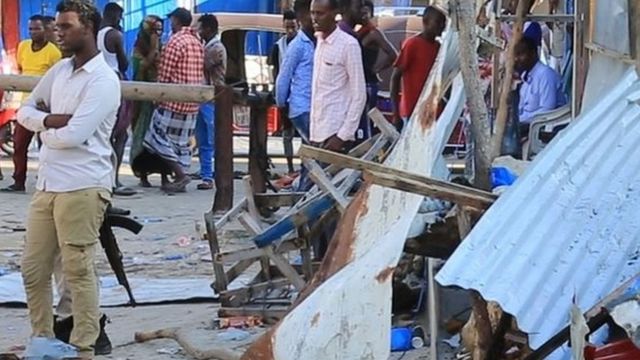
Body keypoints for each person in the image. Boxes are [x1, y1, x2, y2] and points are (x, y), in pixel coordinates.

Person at [17, 0, 120, 358]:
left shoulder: (104, 80)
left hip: (83, 184)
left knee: (77, 269)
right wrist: (49, 121)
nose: (57, 32)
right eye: (57, 26)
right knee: (33, 268)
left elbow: (74, 135)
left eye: (66, 27)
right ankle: (43, 340)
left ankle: (84, 347)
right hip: (48, 183)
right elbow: (25, 111)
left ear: (88, 28)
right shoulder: (60, 71)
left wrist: (45, 129)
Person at [143, 7, 204, 193]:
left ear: (176, 21)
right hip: (192, 101)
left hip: (173, 100)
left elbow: (165, 73)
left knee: (156, 137)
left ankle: (180, 174)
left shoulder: (175, 41)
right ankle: (180, 175)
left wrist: (158, 96)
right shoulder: (197, 41)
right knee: (181, 144)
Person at [1, 14, 62, 193]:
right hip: (24, 102)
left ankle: (47, 181)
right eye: (30, 29)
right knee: (19, 144)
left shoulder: (54, 52)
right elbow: (21, 69)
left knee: (46, 146)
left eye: (37, 28)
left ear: (46, 30)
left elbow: (55, 79)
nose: (33, 32)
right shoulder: (23, 46)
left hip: (43, 104)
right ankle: (18, 181)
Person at [309, 0, 366, 153]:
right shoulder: (319, 41)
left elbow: (359, 95)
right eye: (313, 13)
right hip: (316, 132)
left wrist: (342, 136)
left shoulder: (348, 45)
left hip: (336, 135)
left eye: (320, 13)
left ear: (335, 14)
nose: (315, 18)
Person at [98, 2, 133, 197]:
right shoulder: (115, 35)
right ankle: (114, 179)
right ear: (116, 16)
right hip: (113, 80)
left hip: (97, 79)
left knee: (103, 133)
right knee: (120, 134)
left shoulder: (95, 33)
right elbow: (124, 63)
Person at [390, 6, 446, 127]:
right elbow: (395, 77)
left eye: (443, 23)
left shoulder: (439, 48)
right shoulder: (412, 44)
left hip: (431, 111)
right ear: (425, 22)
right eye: (438, 22)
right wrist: (395, 114)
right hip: (412, 109)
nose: (441, 26)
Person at [129, 15, 167, 188]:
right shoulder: (138, 48)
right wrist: (153, 48)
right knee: (143, 137)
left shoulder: (163, 45)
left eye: (159, 30)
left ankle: (165, 175)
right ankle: (143, 174)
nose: (157, 33)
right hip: (143, 102)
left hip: (161, 98)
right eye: (153, 30)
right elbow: (142, 66)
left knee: (162, 138)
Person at [193, 14, 226, 190]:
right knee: (204, 139)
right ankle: (207, 175)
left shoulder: (215, 48)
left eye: (201, 29)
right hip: (205, 97)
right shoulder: (208, 46)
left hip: (213, 97)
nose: (199, 32)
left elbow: (202, 65)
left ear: (209, 29)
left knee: (213, 139)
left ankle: (214, 175)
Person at [514, 37, 566, 139]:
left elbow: (547, 110)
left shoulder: (546, 75)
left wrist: (520, 121)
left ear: (533, 54)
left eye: (521, 54)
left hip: (544, 128)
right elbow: (521, 109)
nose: (517, 59)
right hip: (526, 125)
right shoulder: (526, 76)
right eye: (516, 55)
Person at [357, 1, 397, 135]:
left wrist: (376, 69)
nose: (363, 16)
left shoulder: (373, 33)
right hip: (360, 83)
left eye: (366, 13)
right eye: (361, 12)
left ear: (372, 15)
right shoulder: (359, 32)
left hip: (368, 83)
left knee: (366, 121)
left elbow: (393, 55)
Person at [269, 10, 299, 175]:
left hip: (301, 94)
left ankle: (306, 167)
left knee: (305, 133)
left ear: (297, 25)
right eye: (287, 26)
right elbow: (275, 71)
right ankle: (290, 168)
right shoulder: (278, 46)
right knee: (287, 133)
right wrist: (278, 92)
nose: (290, 30)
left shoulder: (304, 42)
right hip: (286, 95)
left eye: (292, 26)